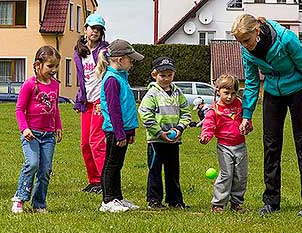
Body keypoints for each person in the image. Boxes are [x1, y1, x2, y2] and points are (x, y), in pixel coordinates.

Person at [231, 14, 302, 216]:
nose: (244, 46)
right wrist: (247, 115)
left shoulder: (286, 39)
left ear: (257, 31)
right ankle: (271, 202)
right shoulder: (247, 52)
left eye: (246, 40)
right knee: (271, 146)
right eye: (240, 42)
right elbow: (252, 83)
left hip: (298, 92)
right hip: (272, 93)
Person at [11, 46, 63, 213]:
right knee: (32, 164)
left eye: (56, 66)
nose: (53, 70)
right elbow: (19, 109)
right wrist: (24, 129)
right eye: (50, 66)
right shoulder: (29, 85)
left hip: (48, 135)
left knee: (45, 170)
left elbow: (55, 107)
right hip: (31, 135)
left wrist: (58, 126)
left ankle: (39, 203)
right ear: (38, 65)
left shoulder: (55, 85)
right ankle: (20, 198)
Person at [96, 39, 144, 212]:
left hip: (122, 131)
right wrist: (120, 133)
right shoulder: (111, 80)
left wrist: (129, 131)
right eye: (130, 59)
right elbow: (114, 110)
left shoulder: (121, 78)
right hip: (114, 131)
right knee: (111, 164)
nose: (132, 63)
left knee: (118, 164)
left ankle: (117, 198)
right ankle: (107, 201)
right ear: (119, 59)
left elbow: (126, 107)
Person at [138, 56, 192, 210]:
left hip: (174, 139)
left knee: (173, 171)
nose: (166, 79)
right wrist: (160, 133)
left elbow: (186, 113)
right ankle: (154, 200)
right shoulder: (151, 94)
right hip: (156, 141)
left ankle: (175, 200)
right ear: (154, 75)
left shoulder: (178, 92)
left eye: (170, 75)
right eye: (162, 75)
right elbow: (145, 115)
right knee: (155, 170)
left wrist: (179, 129)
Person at [200, 74, 252, 213]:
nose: (229, 97)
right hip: (224, 147)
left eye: (233, 93)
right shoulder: (214, 110)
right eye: (226, 93)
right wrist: (206, 136)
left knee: (241, 175)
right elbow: (209, 125)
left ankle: (236, 203)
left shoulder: (240, 105)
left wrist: (247, 126)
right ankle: (218, 204)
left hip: (240, 145)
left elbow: (246, 119)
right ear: (218, 91)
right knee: (226, 174)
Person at [73, 14, 109, 194]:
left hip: (100, 102)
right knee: (84, 144)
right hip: (86, 101)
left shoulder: (105, 51)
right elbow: (82, 79)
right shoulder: (79, 52)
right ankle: (94, 180)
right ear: (85, 28)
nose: (95, 31)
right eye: (92, 27)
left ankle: (105, 181)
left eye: (98, 29)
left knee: (96, 141)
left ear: (102, 32)